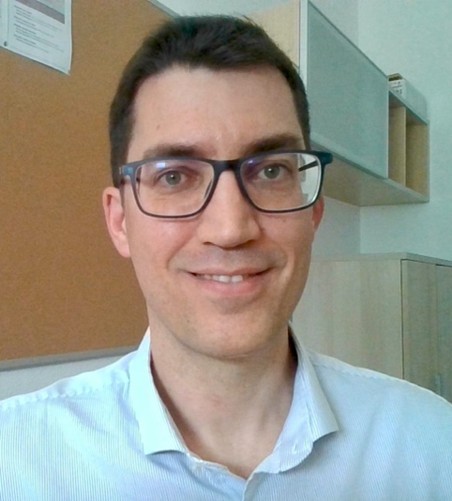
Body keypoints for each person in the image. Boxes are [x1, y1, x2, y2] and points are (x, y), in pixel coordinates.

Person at [1, 15, 451, 501]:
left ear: (313, 214)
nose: (231, 229)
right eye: (174, 176)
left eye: (271, 170)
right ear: (120, 221)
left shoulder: (430, 445)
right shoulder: (18, 460)